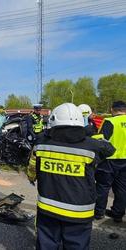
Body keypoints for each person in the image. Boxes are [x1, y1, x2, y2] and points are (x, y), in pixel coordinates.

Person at [27, 103, 115, 250]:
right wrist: (93, 136)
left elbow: (31, 168)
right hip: (79, 212)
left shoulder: (41, 143)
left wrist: (31, 178)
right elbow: (110, 149)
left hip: (47, 207)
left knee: (46, 244)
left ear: (53, 121)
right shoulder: (92, 146)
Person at [95, 100, 126, 222]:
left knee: (103, 186)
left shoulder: (110, 121)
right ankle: (118, 214)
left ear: (113, 109)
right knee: (122, 189)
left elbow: (101, 141)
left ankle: (99, 213)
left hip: (109, 160)